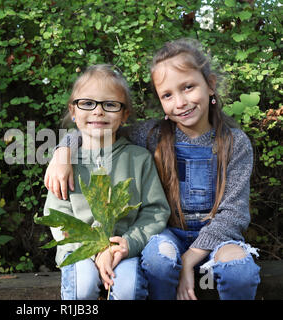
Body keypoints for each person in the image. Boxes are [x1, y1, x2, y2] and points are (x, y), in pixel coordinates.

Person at [44, 39, 261, 300]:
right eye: (167, 95)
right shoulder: (153, 133)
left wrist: (189, 260)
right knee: (159, 262)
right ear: (160, 101)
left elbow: (234, 214)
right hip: (167, 234)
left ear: (210, 84)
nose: (180, 102)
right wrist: (63, 150)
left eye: (188, 87)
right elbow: (98, 131)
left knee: (241, 273)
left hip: (217, 238)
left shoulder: (235, 143)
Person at [42, 64, 170, 300]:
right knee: (83, 288)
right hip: (79, 250)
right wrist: (95, 251)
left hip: (125, 250)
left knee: (129, 289)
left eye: (110, 104)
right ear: (73, 110)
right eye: (87, 103)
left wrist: (127, 244)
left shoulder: (139, 159)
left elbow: (155, 211)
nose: (98, 112)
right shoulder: (66, 163)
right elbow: (57, 215)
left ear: (125, 114)